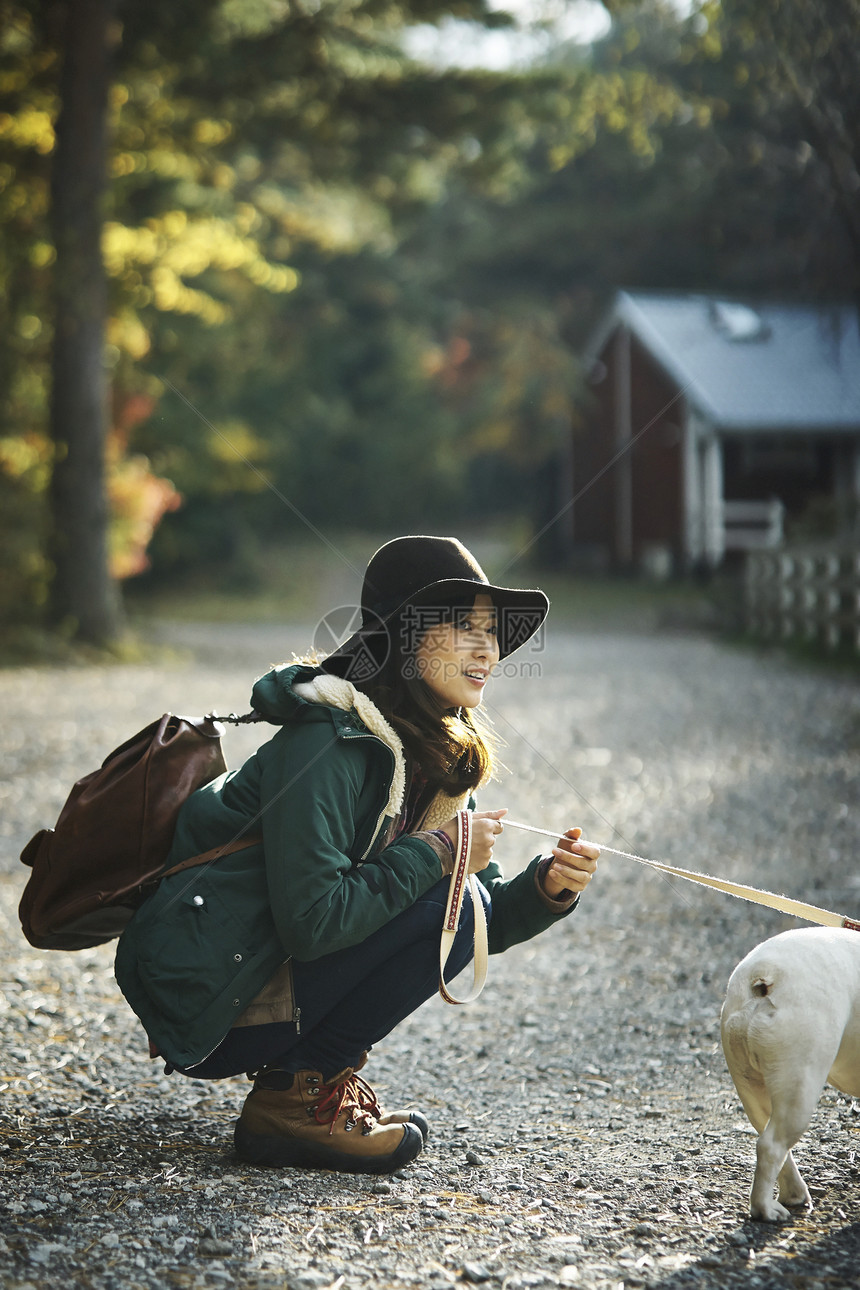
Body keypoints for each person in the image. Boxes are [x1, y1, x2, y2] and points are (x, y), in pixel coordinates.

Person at [114, 536, 600, 1175]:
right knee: (439, 887)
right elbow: (313, 924)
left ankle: (299, 1090)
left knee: (457, 897)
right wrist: (441, 852)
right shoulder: (327, 742)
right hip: (206, 992)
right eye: (461, 627)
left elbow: (479, 919)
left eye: (492, 632)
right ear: (405, 636)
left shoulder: (439, 753)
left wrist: (547, 888)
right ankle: (296, 1097)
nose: (488, 650)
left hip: (267, 975)